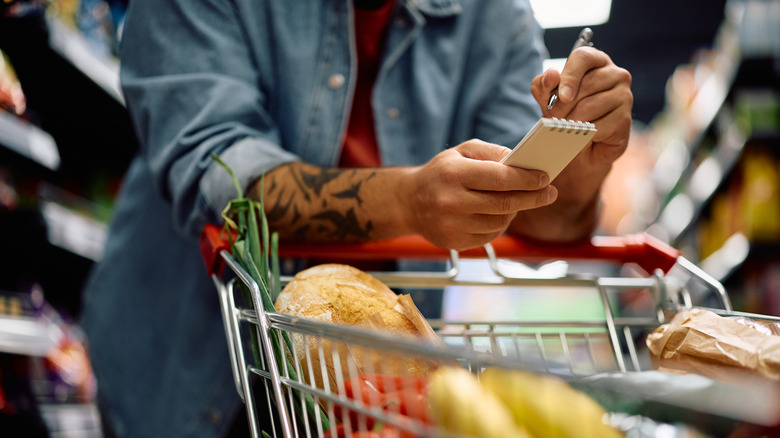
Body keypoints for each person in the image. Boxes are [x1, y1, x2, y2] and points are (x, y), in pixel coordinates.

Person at [80, 0, 633, 436]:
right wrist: (409, 201)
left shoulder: (494, 16)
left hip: (379, 399)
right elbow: (220, 177)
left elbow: (546, 224)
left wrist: (580, 160)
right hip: (183, 367)